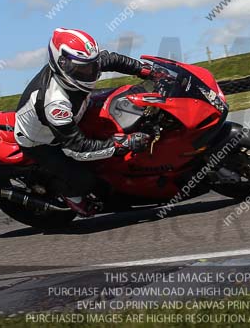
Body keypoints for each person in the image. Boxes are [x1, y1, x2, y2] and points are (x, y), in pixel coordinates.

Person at [14, 27, 155, 216]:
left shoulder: (82, 63)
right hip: (43, 142)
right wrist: (124, 143)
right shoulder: (55, 103)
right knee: (85, 179)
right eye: (82, 69)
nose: (90, 72)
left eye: (92, 66)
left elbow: (112, 59)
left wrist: (144, 69)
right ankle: (72, 197)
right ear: (61, 64)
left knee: (125, 99)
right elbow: (78, 148)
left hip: (77, 109)